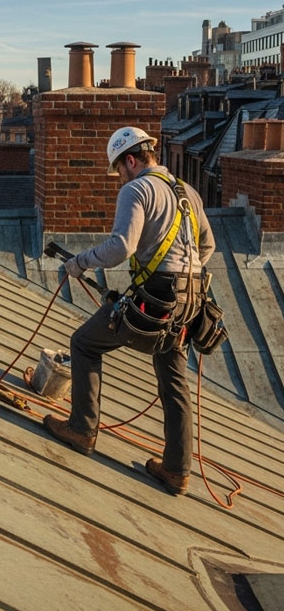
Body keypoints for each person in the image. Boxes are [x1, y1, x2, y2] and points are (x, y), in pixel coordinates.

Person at [42, 127, 215, 495]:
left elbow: (122, 246)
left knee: (85, 343)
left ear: (131, 160)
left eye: (119, 169)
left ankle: (82, 430)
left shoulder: (136, 190)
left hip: (156, 298)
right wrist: (183, 274)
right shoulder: (188, 193)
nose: (119, 176)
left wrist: (80, 263)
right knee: (174, 379)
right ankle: (177, 471)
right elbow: (207, 246)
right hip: (191, 299)